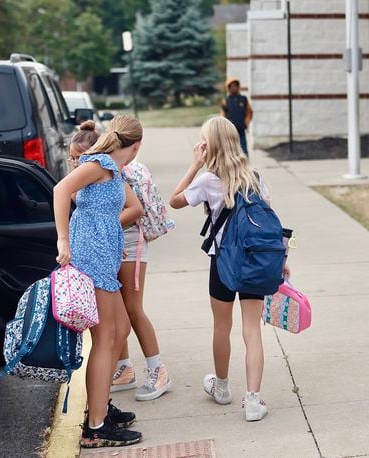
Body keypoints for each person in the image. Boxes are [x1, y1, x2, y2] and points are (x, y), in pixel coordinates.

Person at [169, 116, 284, 422]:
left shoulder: (208, 180)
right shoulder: (256, 178)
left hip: (223, 262)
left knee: (222, 327)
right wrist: (283, 260)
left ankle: (221, 388)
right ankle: (254, 400)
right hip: (256, 261)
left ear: (210, 147)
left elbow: (174, 201)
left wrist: (195, 164)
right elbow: (270, 224)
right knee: (252, 330)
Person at [54, 116, 144, 448]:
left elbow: (128, 209)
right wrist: (64, 240)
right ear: (136, 145)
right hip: (91, 257)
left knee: (119, 330)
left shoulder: (113, 170)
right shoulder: (100, 162)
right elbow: (61, 189)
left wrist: (105, 226)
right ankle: (96, 427)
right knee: (106, 337)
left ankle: (100, 405)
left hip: (104, 257)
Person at [110, 164, 173, 402]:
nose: (75, 161)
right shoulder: (93, 171)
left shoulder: (112, 172)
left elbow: (134, 210)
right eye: (72, 157)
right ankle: (124, 369)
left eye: (80, 156)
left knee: (133, 309)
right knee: (119, 311)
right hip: (115, 243)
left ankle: (159, 371)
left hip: (130, 242)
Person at [221, 78, 253, 155]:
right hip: (230, 130)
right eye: (231, 86)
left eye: (235, 86)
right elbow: (223, 115)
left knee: (243, 149)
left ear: (238, 87)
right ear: (228, 88)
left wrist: (246, 123)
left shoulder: (243, 99)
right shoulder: (226, 100)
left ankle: (245, 164)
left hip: (241, 129)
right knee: (231, 150)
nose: (233, 88)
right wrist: (225, 127)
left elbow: (249, 112)